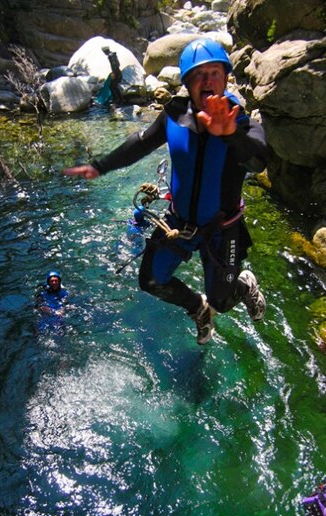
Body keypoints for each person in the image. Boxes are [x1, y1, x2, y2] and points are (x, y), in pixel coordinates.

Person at [64, 38, 269, 345]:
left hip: (222, 229)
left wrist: (230, 135)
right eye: (199, 75)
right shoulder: (175, 114)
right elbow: (142, 142)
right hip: (180, 223)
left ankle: (244, 285)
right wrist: (101, 166)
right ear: (187, 83)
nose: (208, 81)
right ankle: (197, 309)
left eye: (215, 73)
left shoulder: (239, 122)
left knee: (223, 303)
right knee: (150, 280)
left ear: (226, 77)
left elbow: (257, 160)